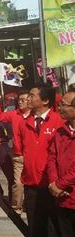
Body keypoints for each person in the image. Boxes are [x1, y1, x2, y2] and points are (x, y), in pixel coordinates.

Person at [19, 85, 63, 237]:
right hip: (31, 184)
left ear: (45, 100)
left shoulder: (59, 121)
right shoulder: (24, 123)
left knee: (54, 228)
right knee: (35, 227)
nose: (28, 98)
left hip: (52, 186)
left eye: (32, 95)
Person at [0, 91, 30, 213]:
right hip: (19, 155)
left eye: (24, 99)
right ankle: (16, 207)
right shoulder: (15, 114)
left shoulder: (36, 115)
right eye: (19, 100)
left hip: (34, 155)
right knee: (18, 183)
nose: (20, 102)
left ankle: (30, 205)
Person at [47, 90, 75, 236]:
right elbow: (51, 158)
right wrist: (54, 183)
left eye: (64, 105)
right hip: (62, 198)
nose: (60, 108)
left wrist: (60, 184)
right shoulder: (60, 132)